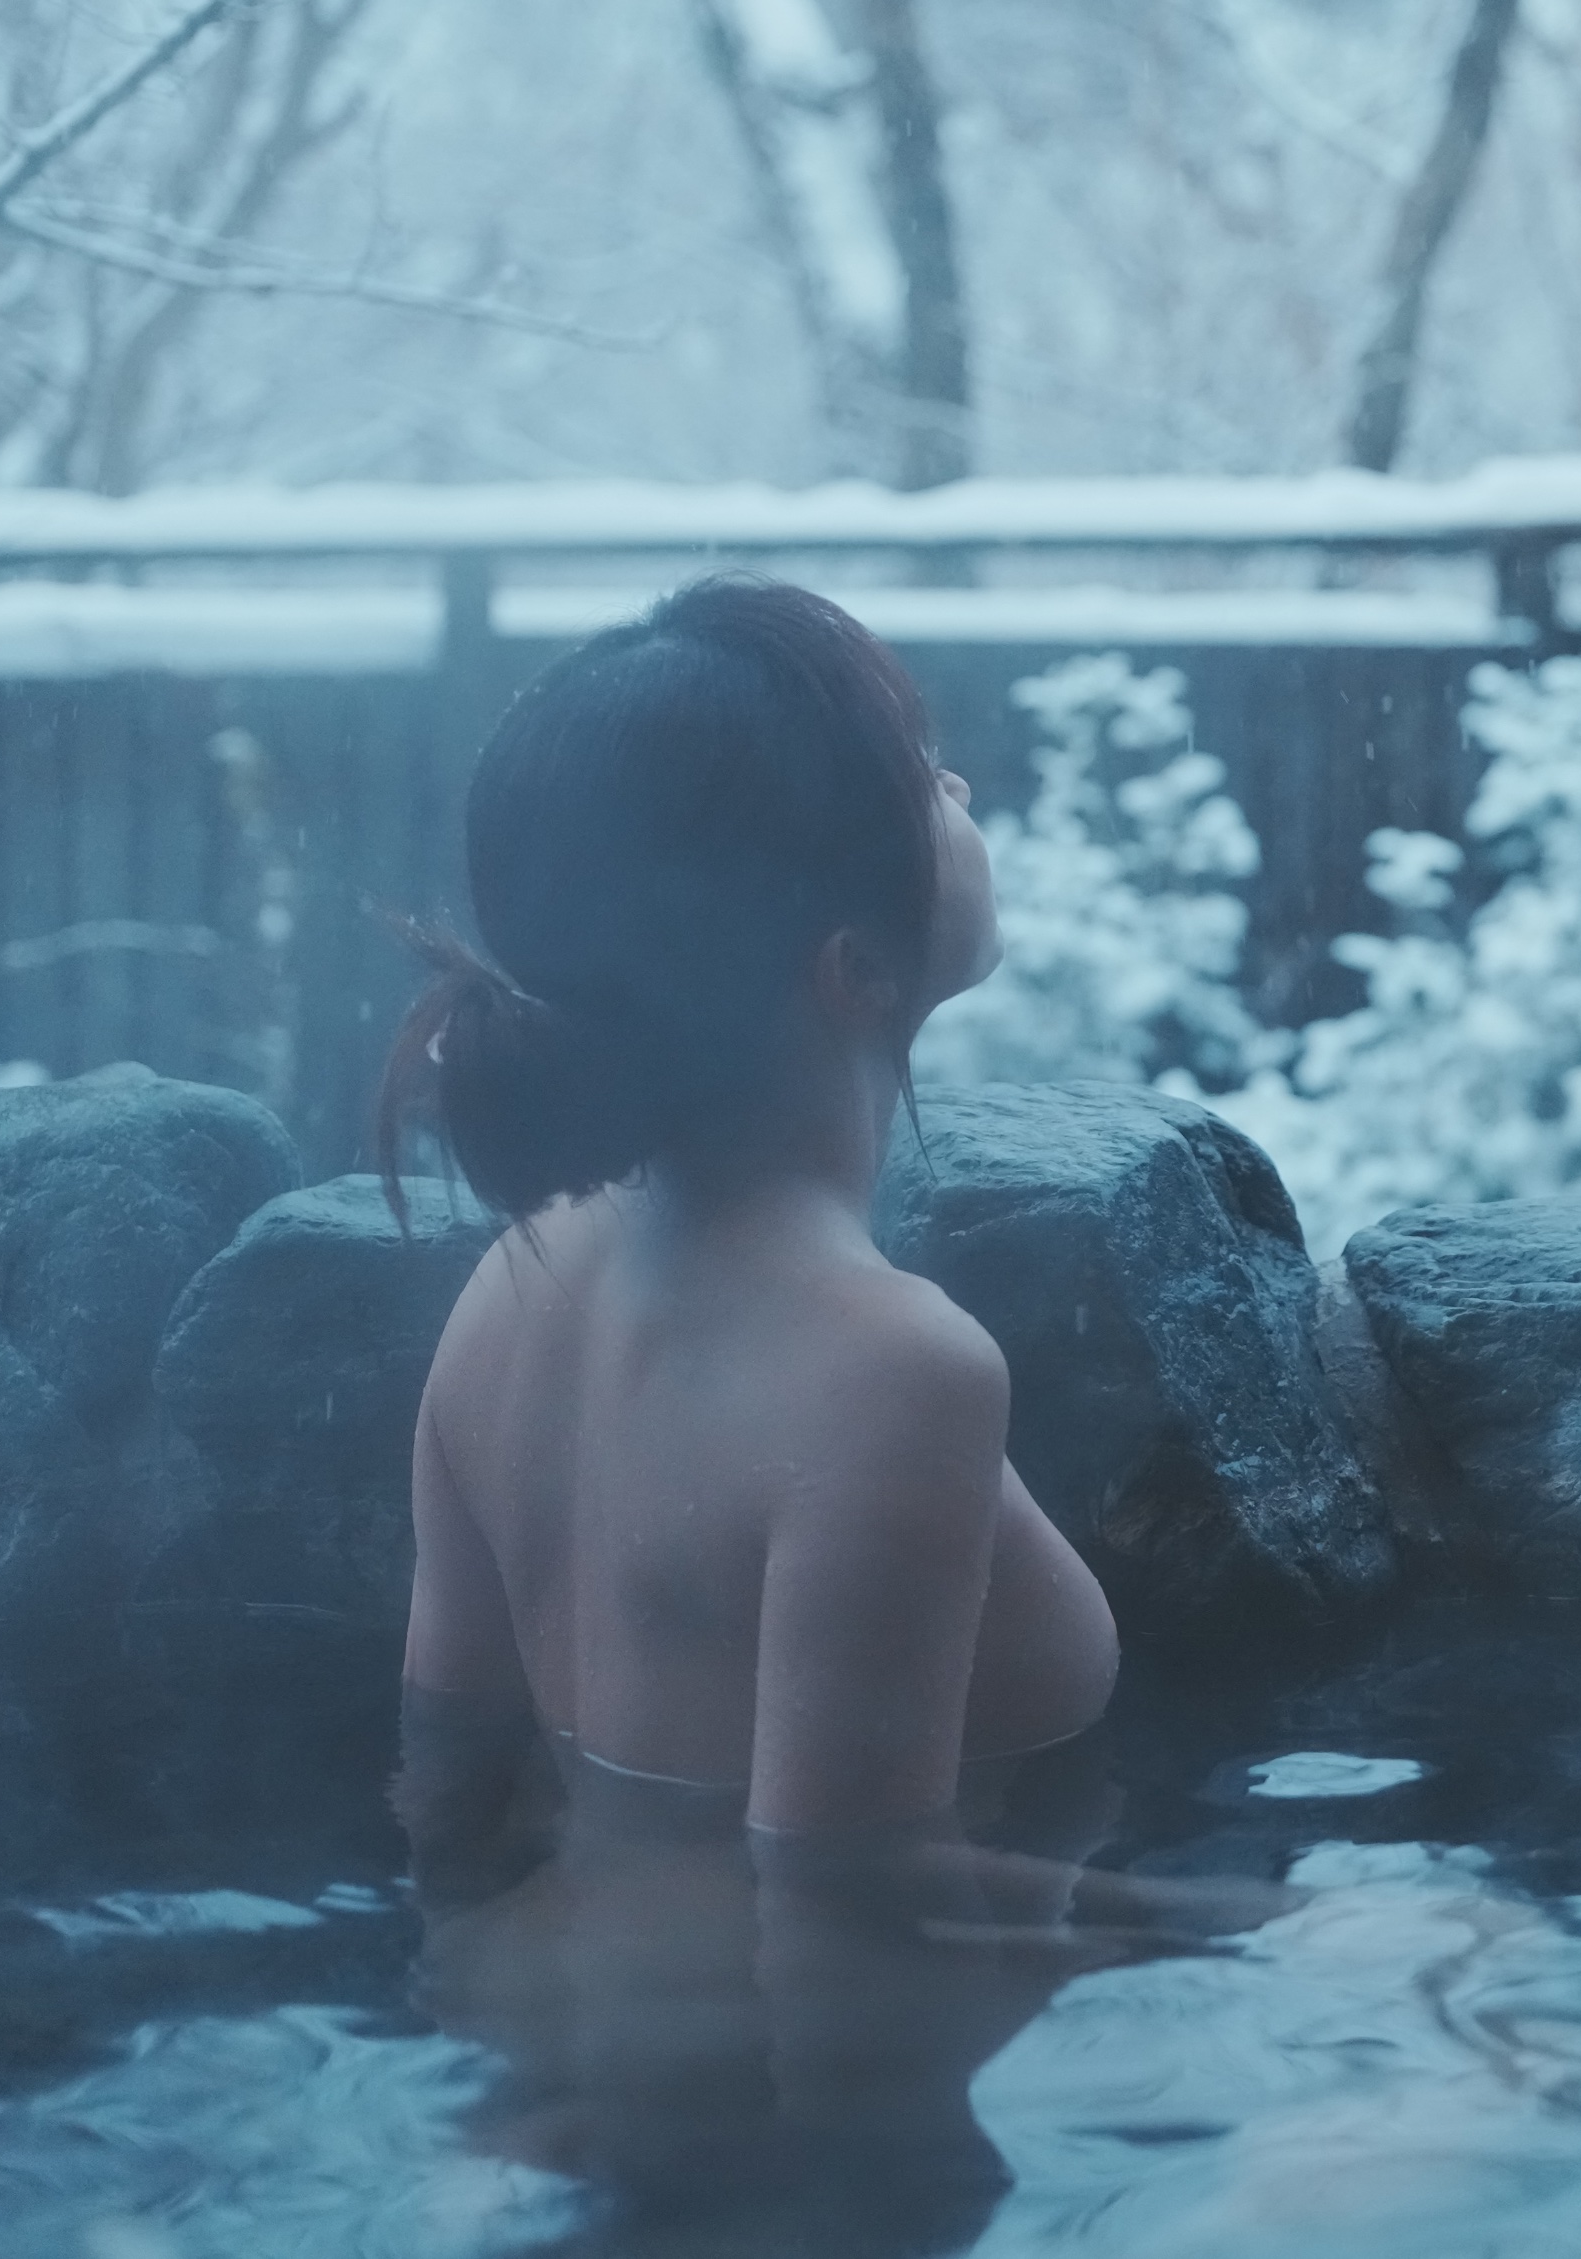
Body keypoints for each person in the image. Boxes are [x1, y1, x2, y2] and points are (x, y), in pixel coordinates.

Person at [374, 577, 1257, 2253]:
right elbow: (848, 1916)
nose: (965, 797)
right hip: (783, 2138)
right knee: (1482, 2000)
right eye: (921, 776)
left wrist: (510, 2091)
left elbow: (446, 1782)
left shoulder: (516, 1283)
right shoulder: (889, 1370)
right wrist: (1239, 1929)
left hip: (545, 2048)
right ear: (849, 967)